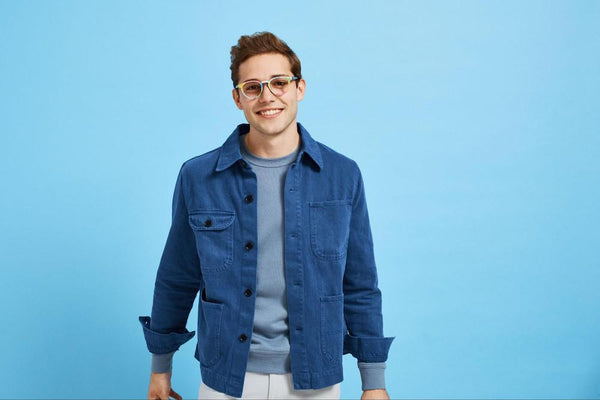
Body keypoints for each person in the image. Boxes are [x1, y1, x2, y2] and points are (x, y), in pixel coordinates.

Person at [139, 31, 394, 400]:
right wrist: (159, 369)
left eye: (278, 83)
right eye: (253, 86)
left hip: (315, 378)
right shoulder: (198, 177)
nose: (267, 96)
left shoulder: (342, 176)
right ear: (237, 98)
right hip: (226, 377)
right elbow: (177, 277)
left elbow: (360, 283)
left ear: (299, 88)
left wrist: (374, 381)